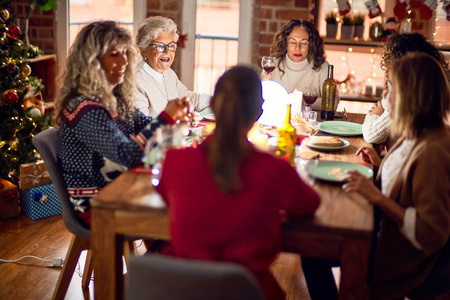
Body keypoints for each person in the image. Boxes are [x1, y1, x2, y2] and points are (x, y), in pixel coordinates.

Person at [156, 66, 321, 300]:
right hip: (250, 293)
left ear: (213, 106)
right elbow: (309, 204)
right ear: (259, 111)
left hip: (188, 291)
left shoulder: (175, 162)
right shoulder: (275, 171)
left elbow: (163, 193)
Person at [303, 52, 450, 300]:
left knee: (314, 250)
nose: (384, 95)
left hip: (400, 255)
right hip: (387, 234)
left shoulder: (433, 149)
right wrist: (380, 163)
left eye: (391, 87)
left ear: (410, 94)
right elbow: (407, 184)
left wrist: (377, 197)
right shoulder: (418, 132)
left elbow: (431, 232)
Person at [54, 20, 191, 227]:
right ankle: (165, 255)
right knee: (181, 206)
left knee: (182, 193)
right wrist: (166, 119)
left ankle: (162, 256)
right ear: (93, 61)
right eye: (114, 54)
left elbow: (145, 124)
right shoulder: (84, 108)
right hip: (97, 204)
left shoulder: (114, 98)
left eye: (125, 53)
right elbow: (128, 156)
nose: (124, 61)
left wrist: (175, 120)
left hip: (119, 187)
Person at [362, 32, 448, 149]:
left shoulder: (408, 102)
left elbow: (371, 135)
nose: (386, 94)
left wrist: (374, 115)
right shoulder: (425, 95)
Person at [135, 16, 210, 120]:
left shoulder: (168, 73)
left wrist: (220, 100)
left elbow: (187, 98)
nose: (167, 52)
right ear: (143, 49)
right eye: (160, 46)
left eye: (171, 46)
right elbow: (141, 128)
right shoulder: (135, 81)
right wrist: (177, 121)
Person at [263, 19, 331, 110]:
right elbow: (262, 97)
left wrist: (296, 101)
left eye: (303, 43)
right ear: (285, 43)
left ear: (311, 45)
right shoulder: (273, 65)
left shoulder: (322, 67)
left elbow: (332, 101)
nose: (297, 48)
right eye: (293, 42)